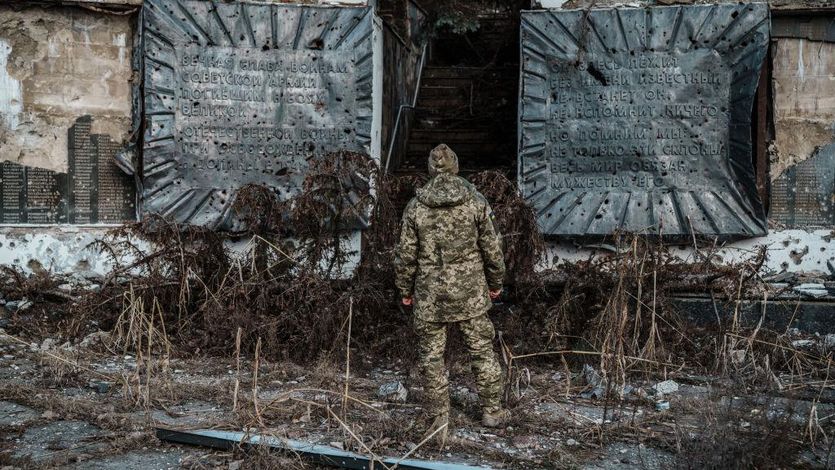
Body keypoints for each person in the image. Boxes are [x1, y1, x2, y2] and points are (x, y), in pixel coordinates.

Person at [395, 143, 510, 447]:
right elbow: (492, 247)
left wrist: (405, 290)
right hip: (471, 291)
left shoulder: (416, 206)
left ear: (430, 169)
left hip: (430, 293)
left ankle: (439, 418)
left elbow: (405, 255)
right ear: (456, 166)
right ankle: (492, 411)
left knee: (431, 355)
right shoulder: (475, 201)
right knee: (482, 350)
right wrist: (496, 281)